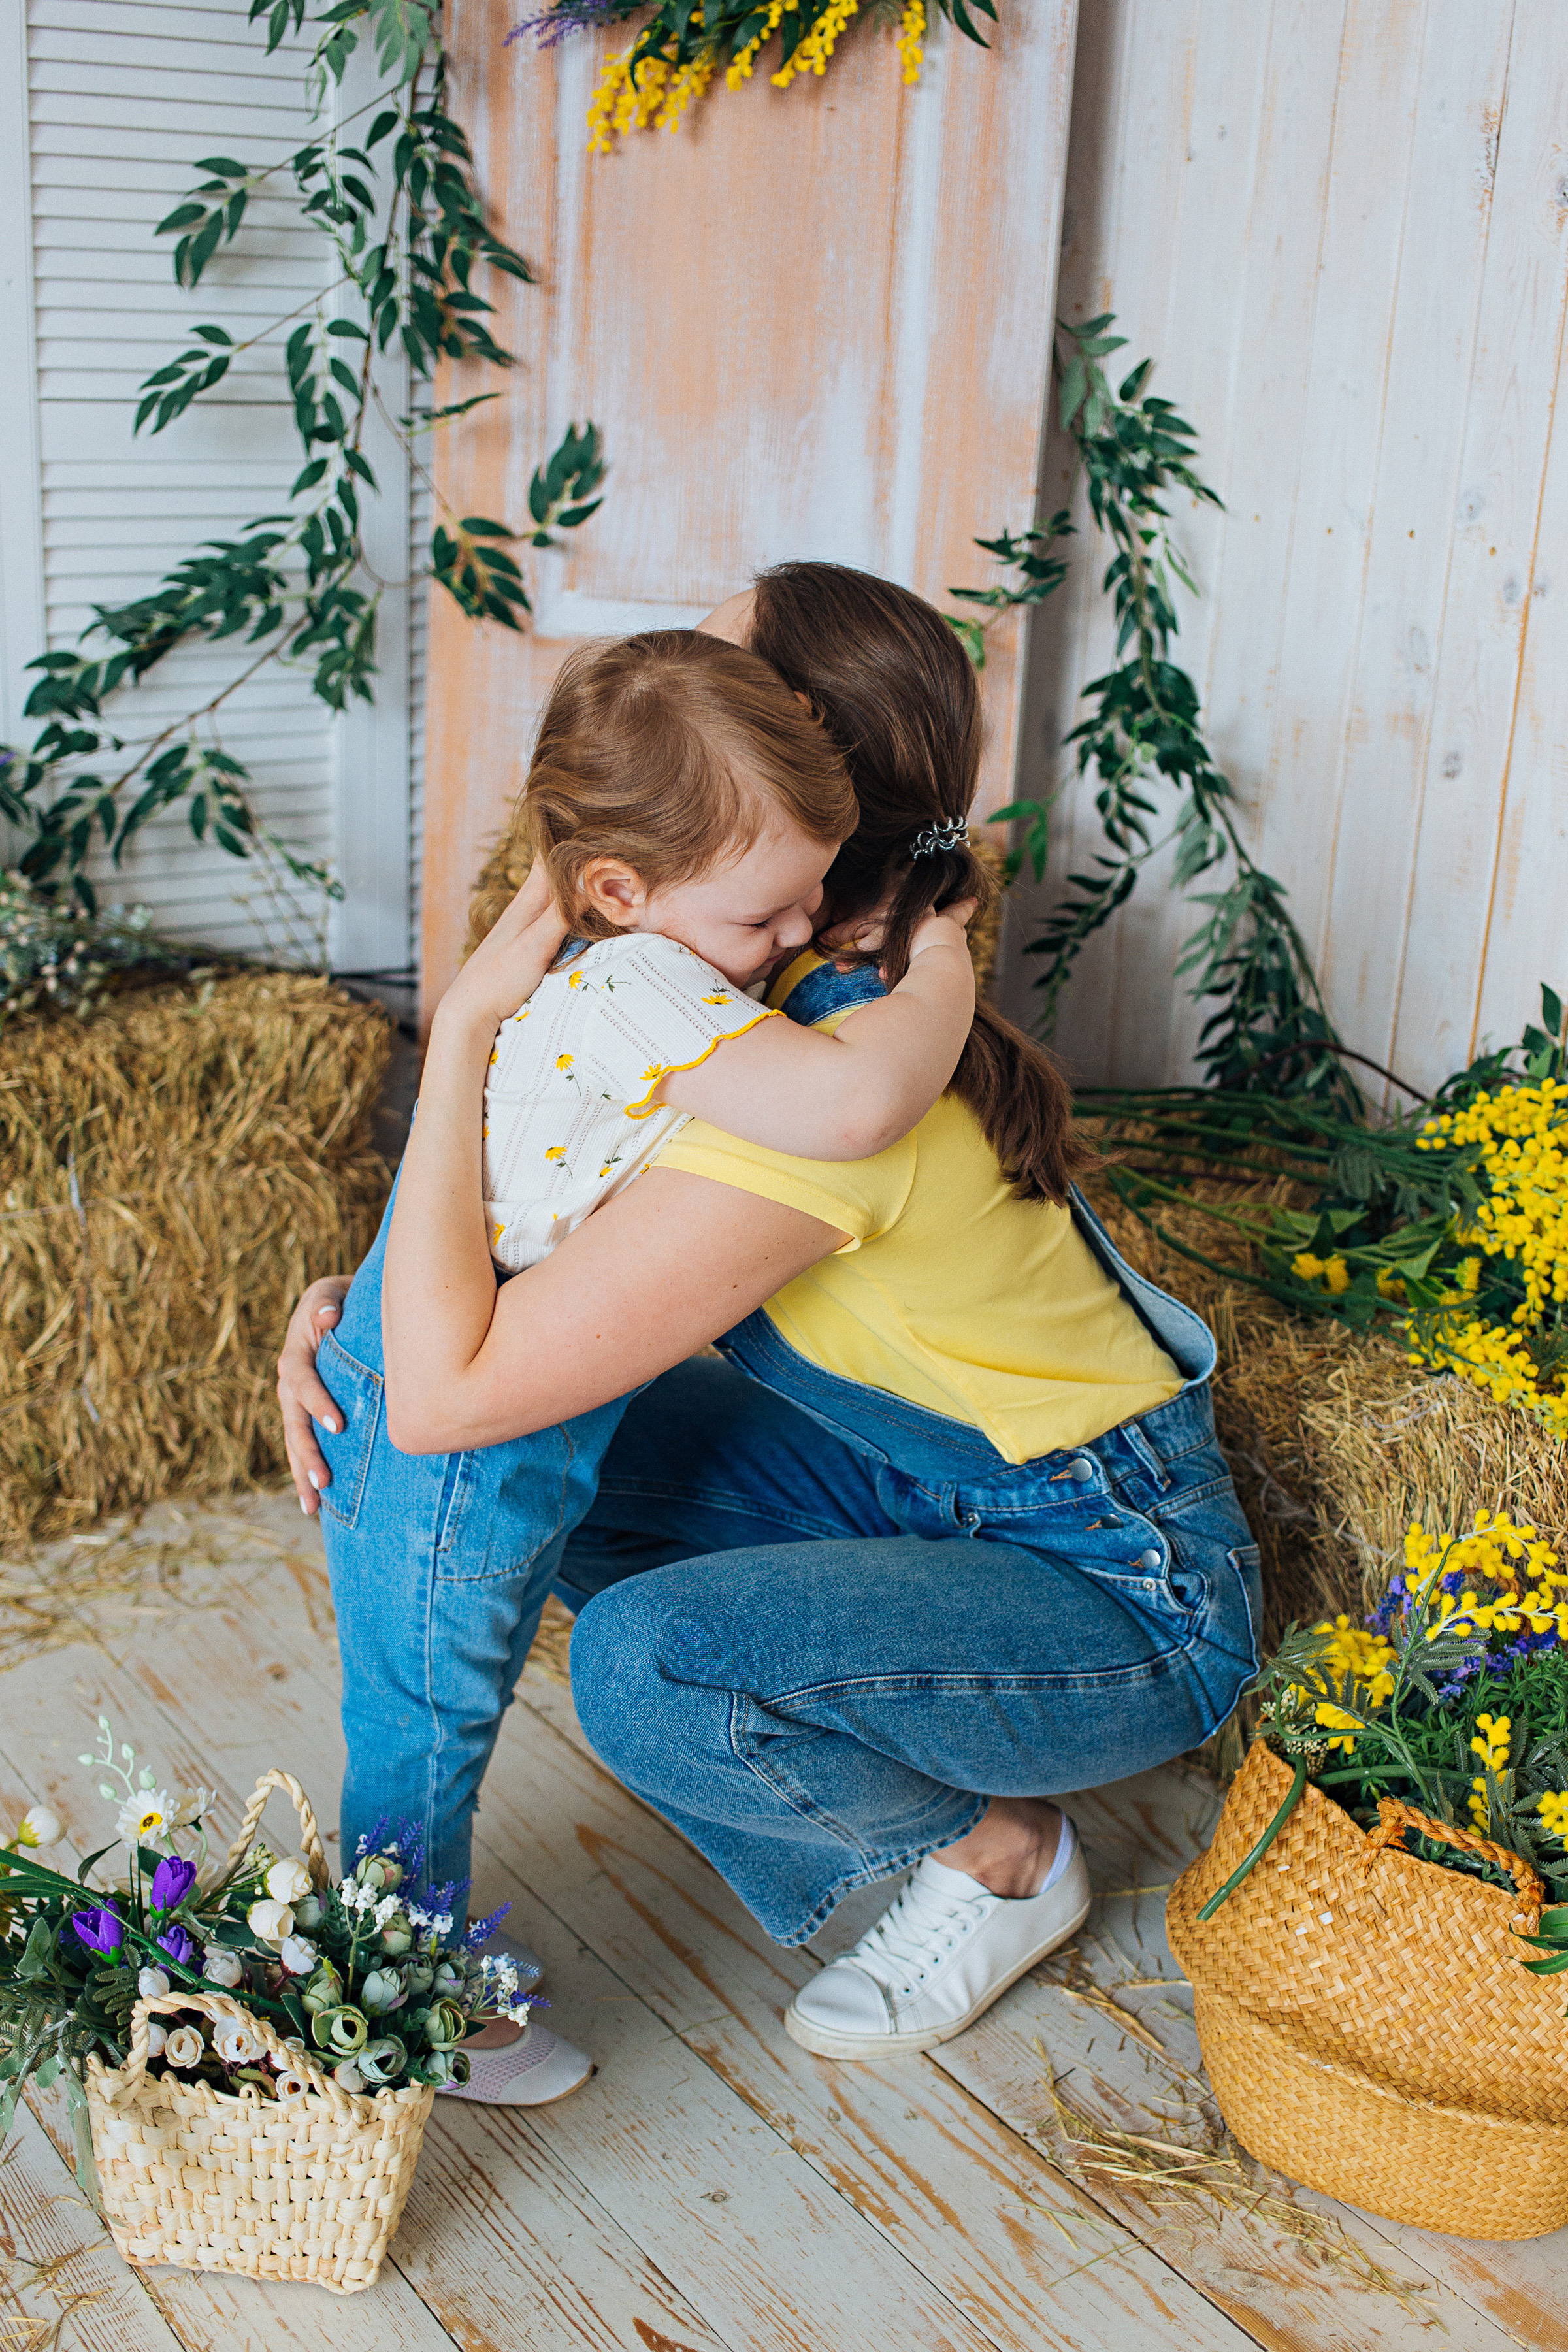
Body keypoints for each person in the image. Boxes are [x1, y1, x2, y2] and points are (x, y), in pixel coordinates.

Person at [279, 560, 1260, 2072]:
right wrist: (351, 1314)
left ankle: (997, 1852)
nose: (682, 678)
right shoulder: (762, 979)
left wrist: (466, 1021)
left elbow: (454, 1400)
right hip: (936, 1481)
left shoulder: (818, 1077)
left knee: (644, 1658)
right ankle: (412, 1913)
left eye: (720, 674)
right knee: (550, 1455)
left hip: (1120, 1579)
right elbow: (548, 1211)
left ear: (802, 783)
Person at [295, 621, 975, 2104]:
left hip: (477, 1372)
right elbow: (855, 1110)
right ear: (618, 890)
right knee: (424, 1716)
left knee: (420, 1700)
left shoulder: (656, 949)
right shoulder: (638, 987)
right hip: (461, 1426)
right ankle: (408, 2009)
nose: (795, 941)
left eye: (812, 901)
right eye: (767, 914)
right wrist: (942, 956)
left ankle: (397, 1966)